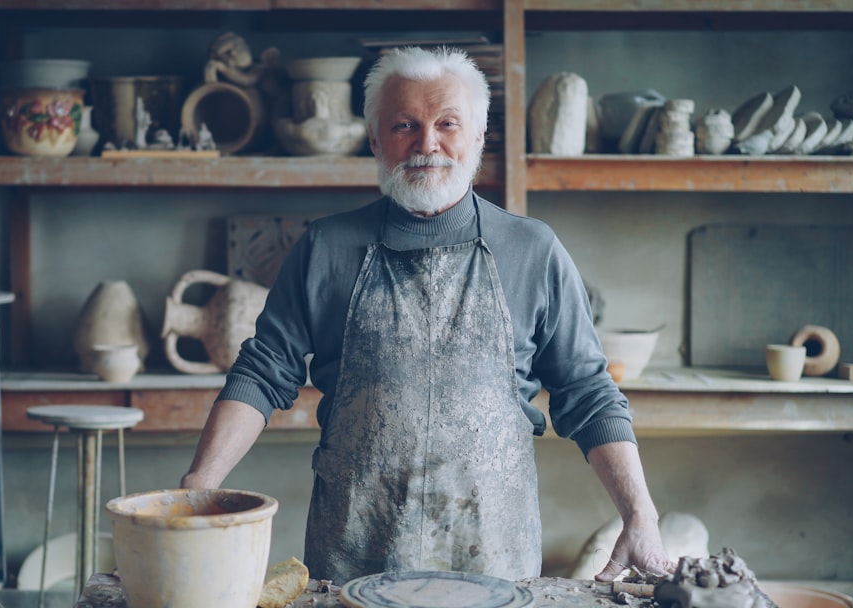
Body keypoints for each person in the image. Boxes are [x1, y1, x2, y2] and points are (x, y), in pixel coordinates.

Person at [181, 46, 672, 585]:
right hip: (353, 564)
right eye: (405, 125)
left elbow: (588, 392)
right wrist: (199, 487)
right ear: (375, 139)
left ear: (479, 136)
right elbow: (261, 373)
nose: (427, 144)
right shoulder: (325, 248)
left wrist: (640, 515)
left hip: (494, 566)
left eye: (447, 124)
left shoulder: (533, 250)